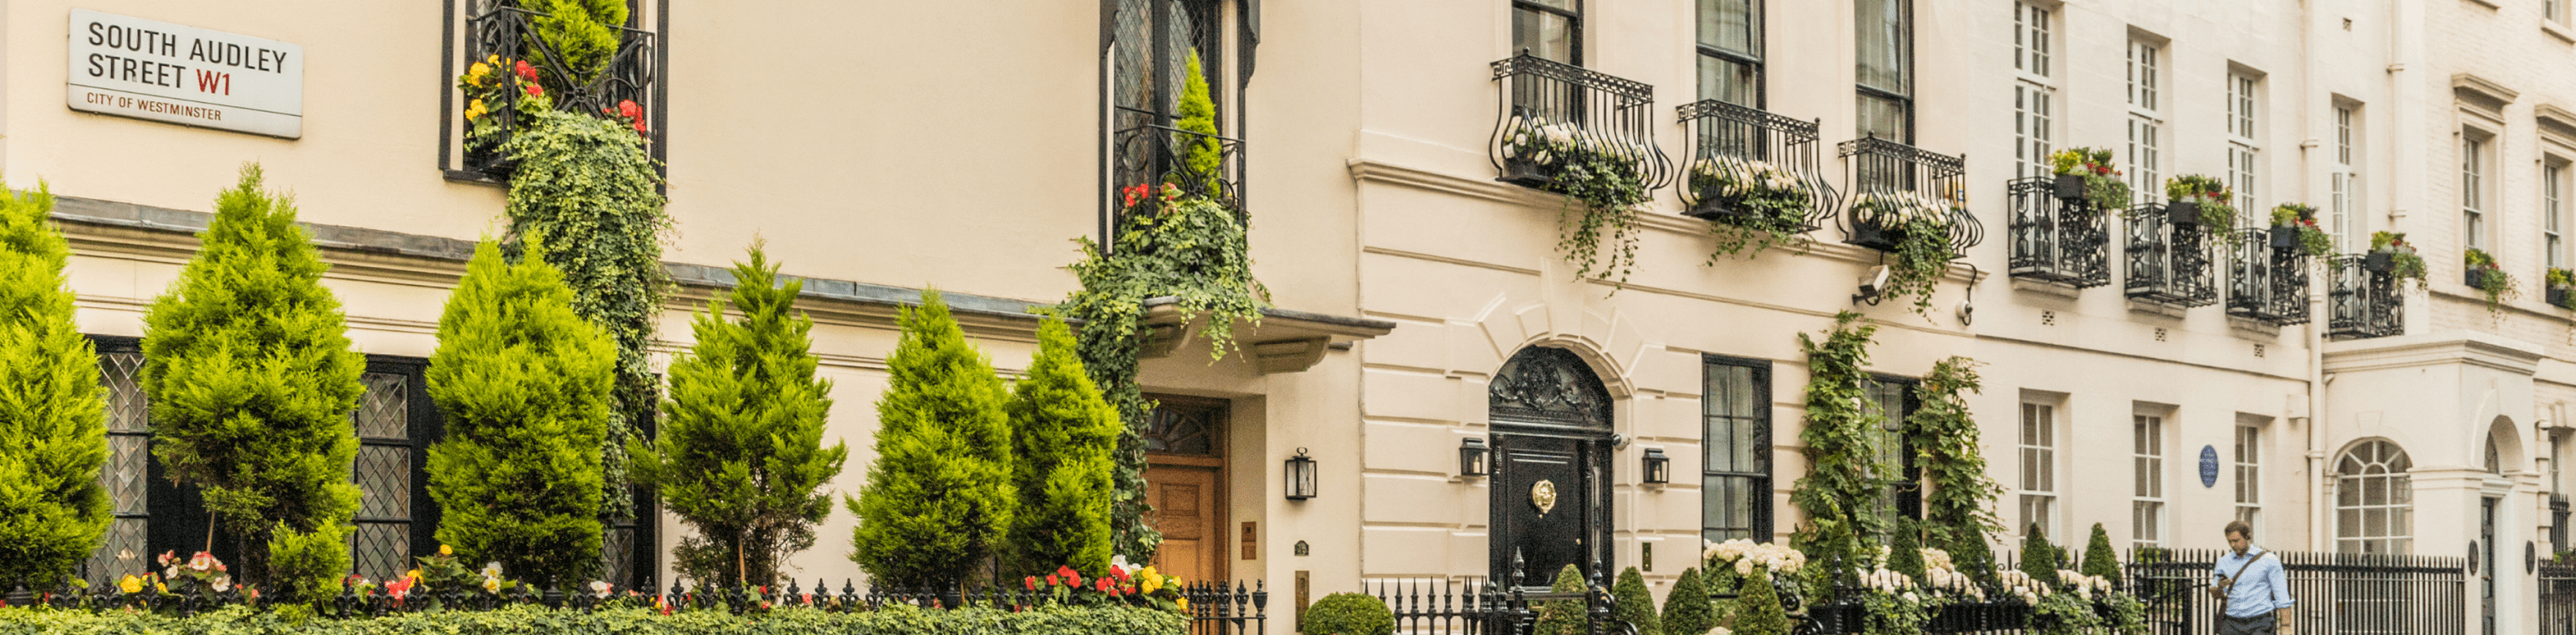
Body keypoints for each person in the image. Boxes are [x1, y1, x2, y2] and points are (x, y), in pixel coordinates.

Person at [2208, 520, 2295, 635]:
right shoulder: (2224, 562)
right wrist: (2219, 587)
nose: (2233, 545)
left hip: (2260, 623)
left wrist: (2286, 625)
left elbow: (2282, 596)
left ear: (2248, 537)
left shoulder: (2268, 560)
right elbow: (2216, 595)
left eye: (2236, 541)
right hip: (2231, 623)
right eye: (2230, 542)